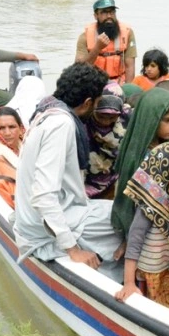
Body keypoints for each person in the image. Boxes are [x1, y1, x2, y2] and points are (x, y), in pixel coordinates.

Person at [13, 62, 124, 282]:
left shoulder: (46, 110)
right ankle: (120, 277)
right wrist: (73, 251)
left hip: (44, 216)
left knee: (121, 210)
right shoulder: (61, 124)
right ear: (87, 103)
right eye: (97, 104)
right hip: (41, 228)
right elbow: (44, 196)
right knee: (129, 218)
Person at [114, 142, 169, 309]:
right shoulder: (151, 203)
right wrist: (129, 283)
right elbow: (135, 240)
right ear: (163, 174)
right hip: (152, 271)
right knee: (158, 307)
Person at [111, 87, 169, 237]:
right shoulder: (139, 155)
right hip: (144, 229)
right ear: (151, 120)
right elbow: (131, 203)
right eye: (168, 120)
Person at [75, 0, 136, 84]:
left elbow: (130, 66)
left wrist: (128, 90)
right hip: (94, 84)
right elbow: (79, 70)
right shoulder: (84, 37)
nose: (109, 16)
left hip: (118, 84)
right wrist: (97, 48)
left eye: (112, 12)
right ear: (96, 16)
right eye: (104, 12)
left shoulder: (127, 33)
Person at [84, 88, 126, 200]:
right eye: (101, 116)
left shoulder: (127, 121)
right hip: (84, 186)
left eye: (112, 117)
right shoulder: (83, 124)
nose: (106, 122)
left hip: (115, 185)